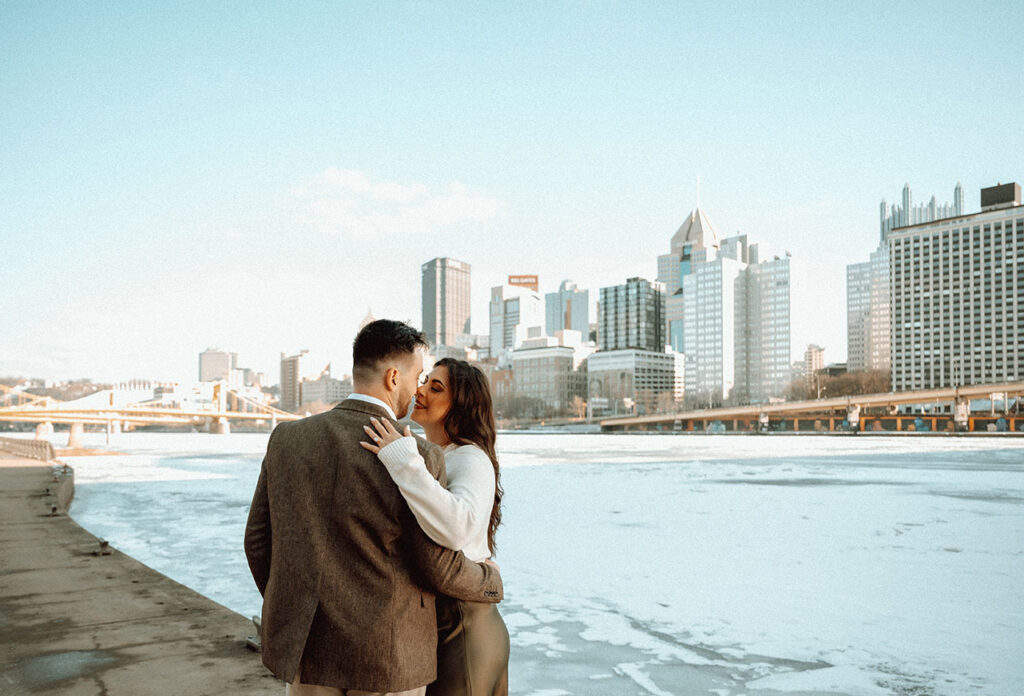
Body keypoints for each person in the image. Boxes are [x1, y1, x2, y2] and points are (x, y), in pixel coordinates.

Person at [244, 321, 503, 696]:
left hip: (308, 650)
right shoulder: (417, 454)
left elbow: (257, 541)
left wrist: (295, 609)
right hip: (388, 654)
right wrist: (490, 582)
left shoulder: (286, 438)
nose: (418, 390)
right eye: (418, 378)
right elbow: (436, 564)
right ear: (394, 377)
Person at [361, 358, 509, 696]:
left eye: (436, 387)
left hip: (465, 624)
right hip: (445, 621)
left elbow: (458, 528)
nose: (422, 390)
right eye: (425, 381)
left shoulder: (469, 457)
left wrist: (402, 461)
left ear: (462, 405)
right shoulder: (436, 455)